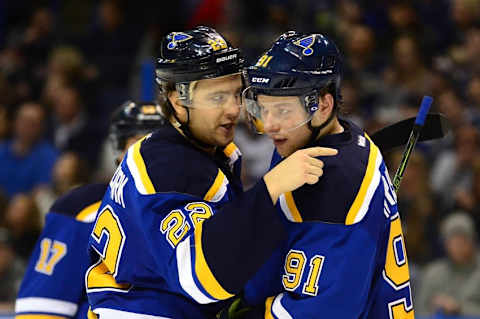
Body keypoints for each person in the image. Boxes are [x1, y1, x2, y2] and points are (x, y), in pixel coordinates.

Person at [85, 26, 336, 319]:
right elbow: (200, 279)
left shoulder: (194, 153)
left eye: (235, 94)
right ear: (178, 102)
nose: (233, 109)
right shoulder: (169, 166)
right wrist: (271, 188)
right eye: (218, 98)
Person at [225, 31, 415, 318]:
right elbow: (277, 238)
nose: (271, 125)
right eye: (263, 110)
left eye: (282, 111)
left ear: (323, 105)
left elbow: (329, 309)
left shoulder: (340, 184)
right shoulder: (302, 141)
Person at [14, 101, 165, 319]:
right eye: (138, 143)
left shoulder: (201, 206)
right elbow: (41, 309)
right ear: (118, 148)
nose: (150, 155)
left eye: (160, 144)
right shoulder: (82, 209)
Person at [416, 212, 480, 316]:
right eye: (452, 241)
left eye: (463, 240)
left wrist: (459, 307)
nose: (457, 246)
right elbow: (419, 311)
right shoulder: (433, 273)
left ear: (473, 241)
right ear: (445, 245)